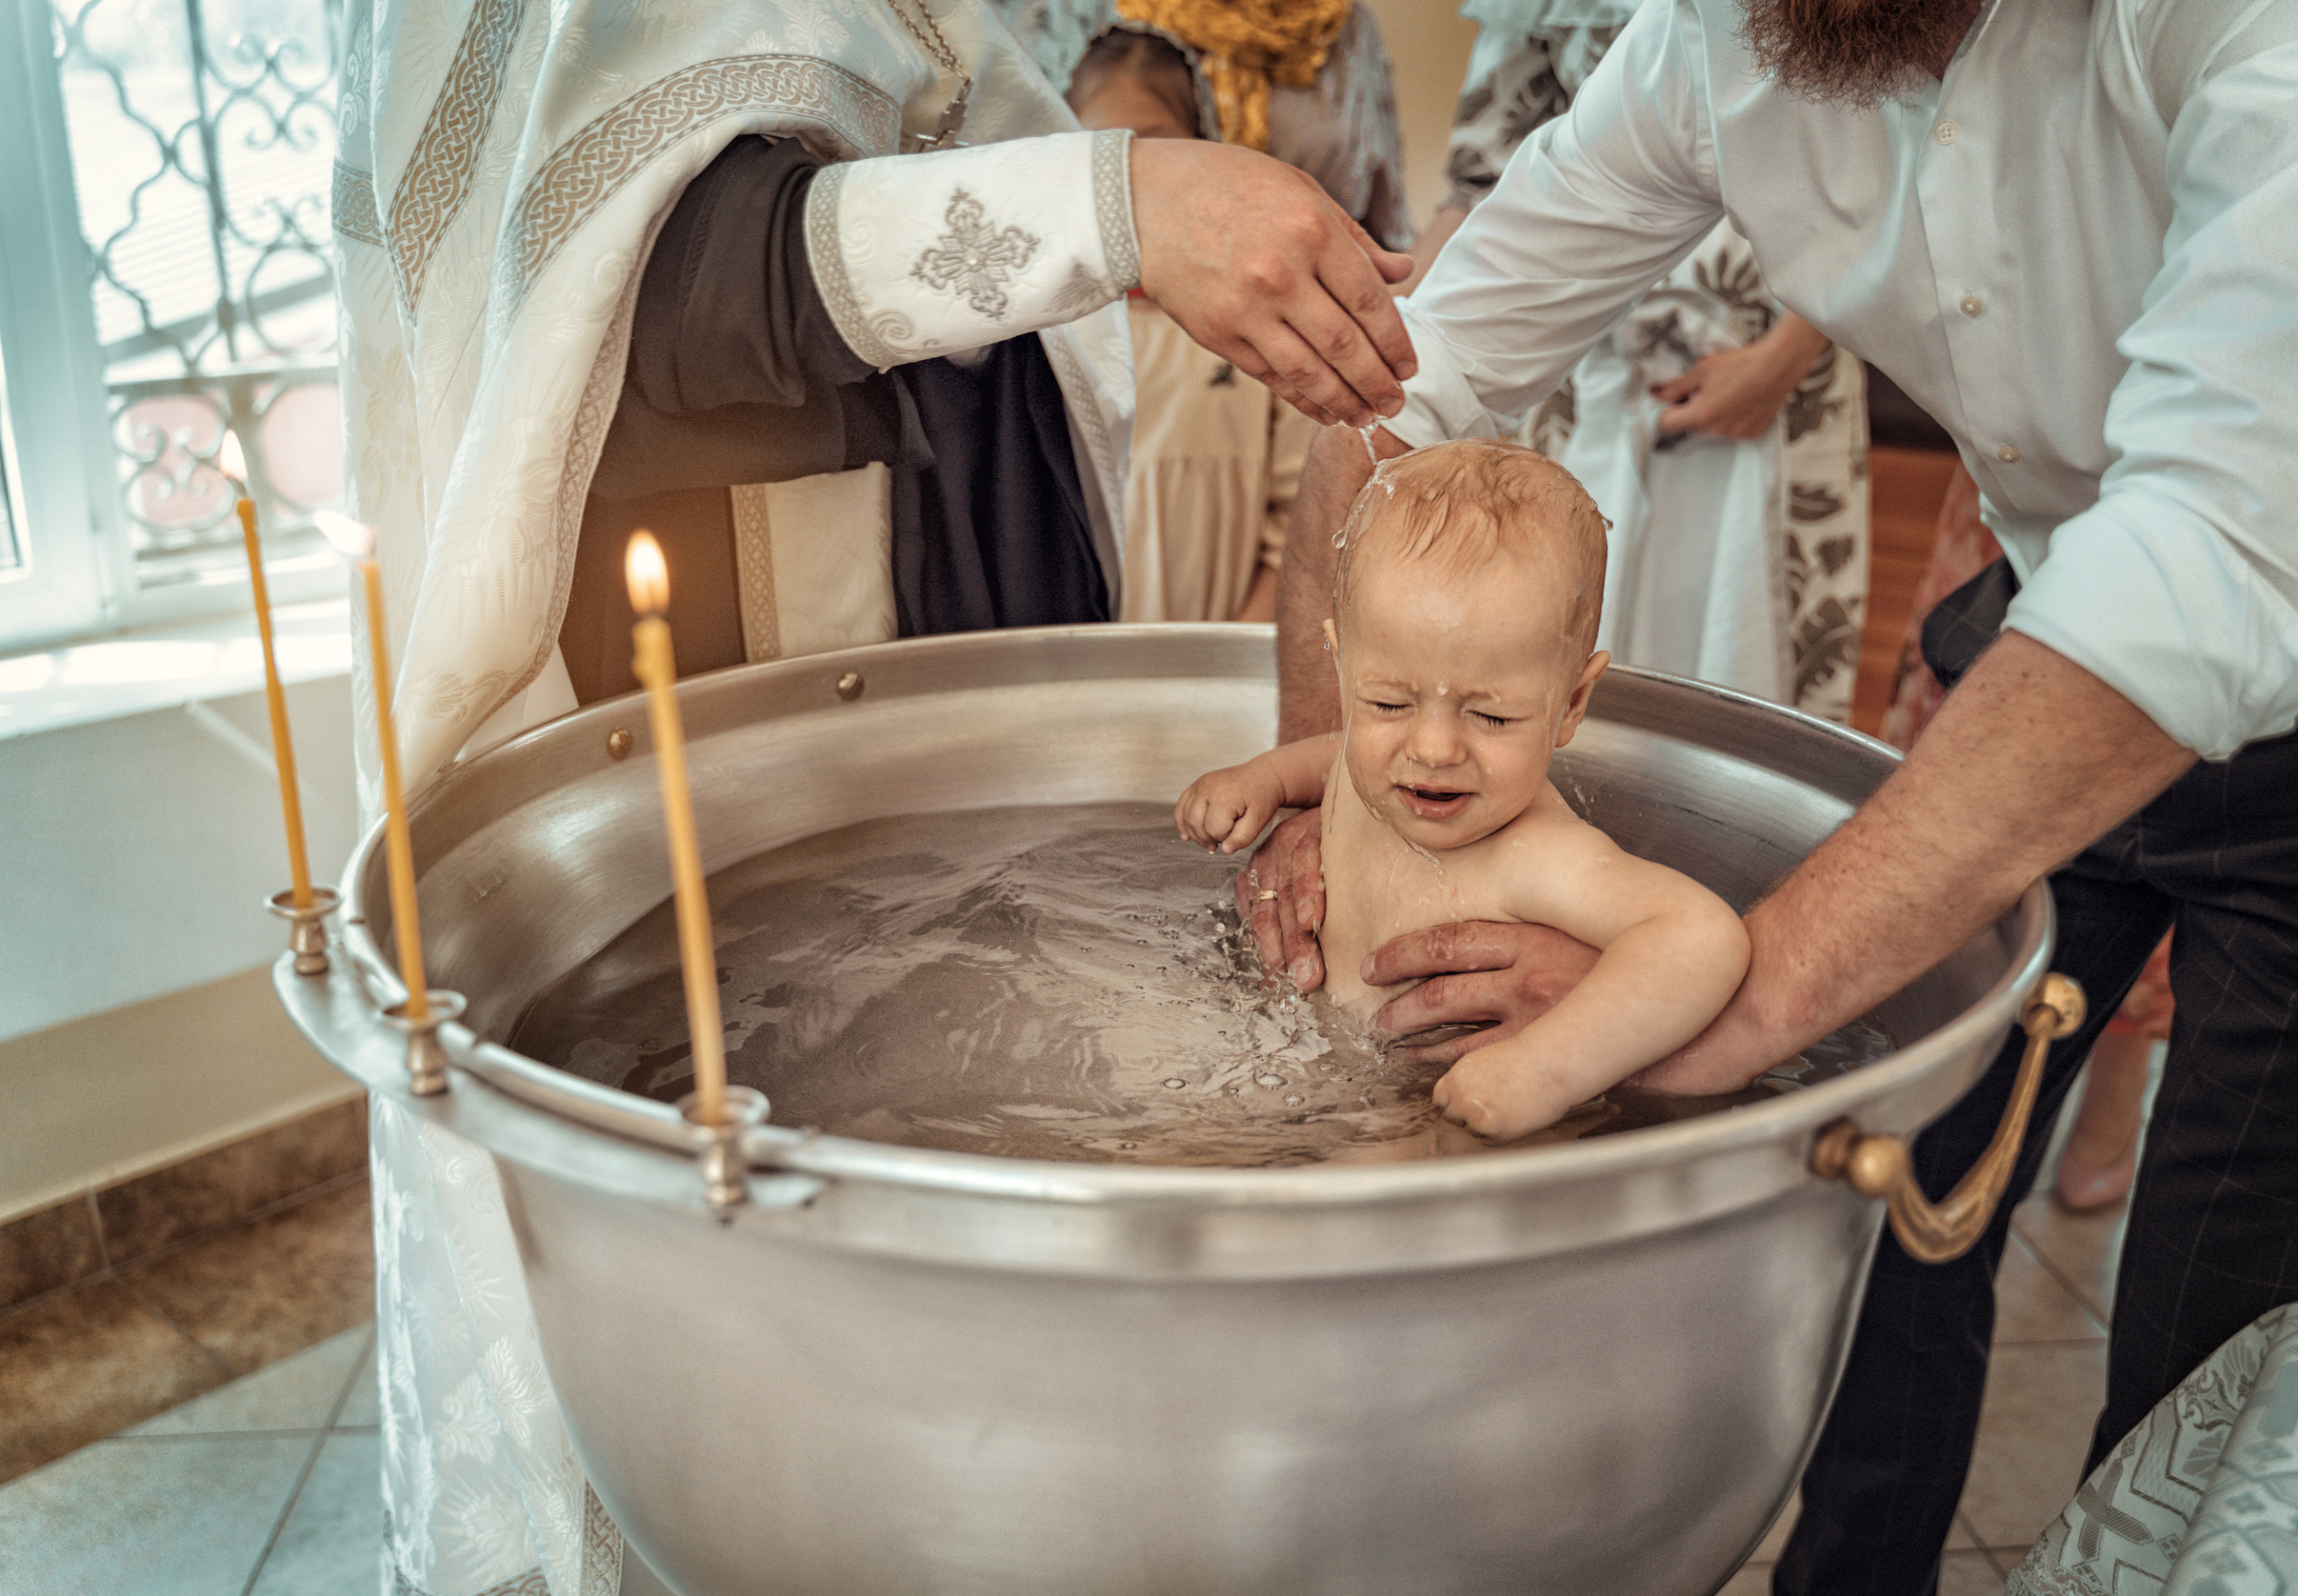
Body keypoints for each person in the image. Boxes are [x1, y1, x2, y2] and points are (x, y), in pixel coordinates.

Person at [1229, 2, 2298, 1593]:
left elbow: (2224, 545)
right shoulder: (1710, 43)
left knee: (2218, 1332)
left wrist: (1724, 1009)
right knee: (1886, 1221)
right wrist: (1337, 798)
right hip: (2038, 636)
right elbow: (1406, 385)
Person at [330, 0, 1420, 1585]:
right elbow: (633, 282)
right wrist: (1117, 204)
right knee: (749, 1360)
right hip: (691, 648)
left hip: (929, 604)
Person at [1175, 439, 1748, 1136]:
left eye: (1491, 717)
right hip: (1298, 1061)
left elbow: (1698, 938)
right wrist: (1264, 779)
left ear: (1571, 704)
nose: (1432, 750)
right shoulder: (1377, 769)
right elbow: (1334, 758)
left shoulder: (1535, 854)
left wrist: (1544, 1069)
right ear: (1342, 666)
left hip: (1426, 1113)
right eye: (1388, 704)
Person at [1410, 0, 1871, 721]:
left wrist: (1782, 360)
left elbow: (1872, 162)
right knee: (1550, 651)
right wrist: (1395, 334)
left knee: (1747, 679)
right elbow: (1484, 182)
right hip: (1576, 380)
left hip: (1778, 374)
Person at [1024, 0, 1410, 622]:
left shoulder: (1347, 31)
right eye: (1104, 155)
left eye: (1155, 149)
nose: (1132, 183)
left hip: (1226, 628)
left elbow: (1296, 525)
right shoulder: (1043, 332)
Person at [1882, 463, 2171, 1214]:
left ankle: (2122, 1061)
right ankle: (1957, 1059)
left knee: (2165, 777)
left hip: (2189, 500)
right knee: (1966, 809)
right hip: (2023, 481)